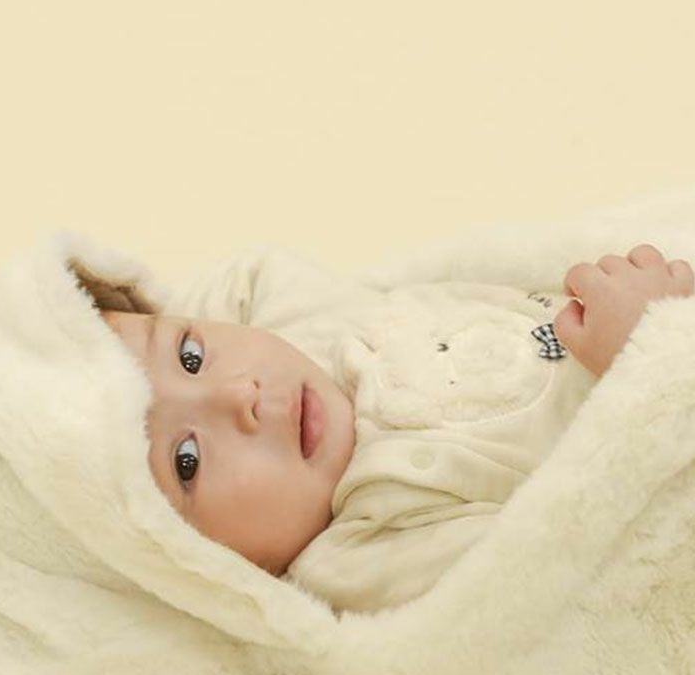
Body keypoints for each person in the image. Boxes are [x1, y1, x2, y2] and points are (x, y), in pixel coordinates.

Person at [102, 242, 694, 614]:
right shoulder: (362, 555)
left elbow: (243, 277)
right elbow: (598, 568)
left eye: (190, 356)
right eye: (186, 460)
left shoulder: (307, 331)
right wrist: (653, 356)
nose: (240, 394)